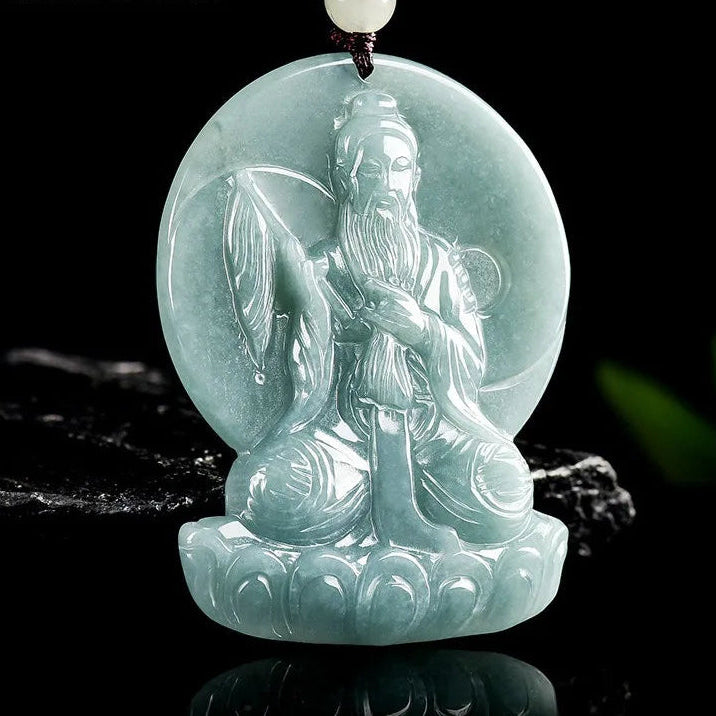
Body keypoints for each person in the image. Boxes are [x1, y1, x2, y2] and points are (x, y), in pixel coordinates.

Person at [225, 91, 532, 552]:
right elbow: (307, 379)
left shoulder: (440, 263)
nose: (387, 185)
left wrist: (423, 331)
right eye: (371, 171)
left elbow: (471, 363)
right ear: (344, 180)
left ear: (416, 177)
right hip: (343, 441)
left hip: (432, 440)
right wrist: (313, 305)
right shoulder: (325, 264)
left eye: (399, 168)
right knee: (271, 488)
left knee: (506, 487)